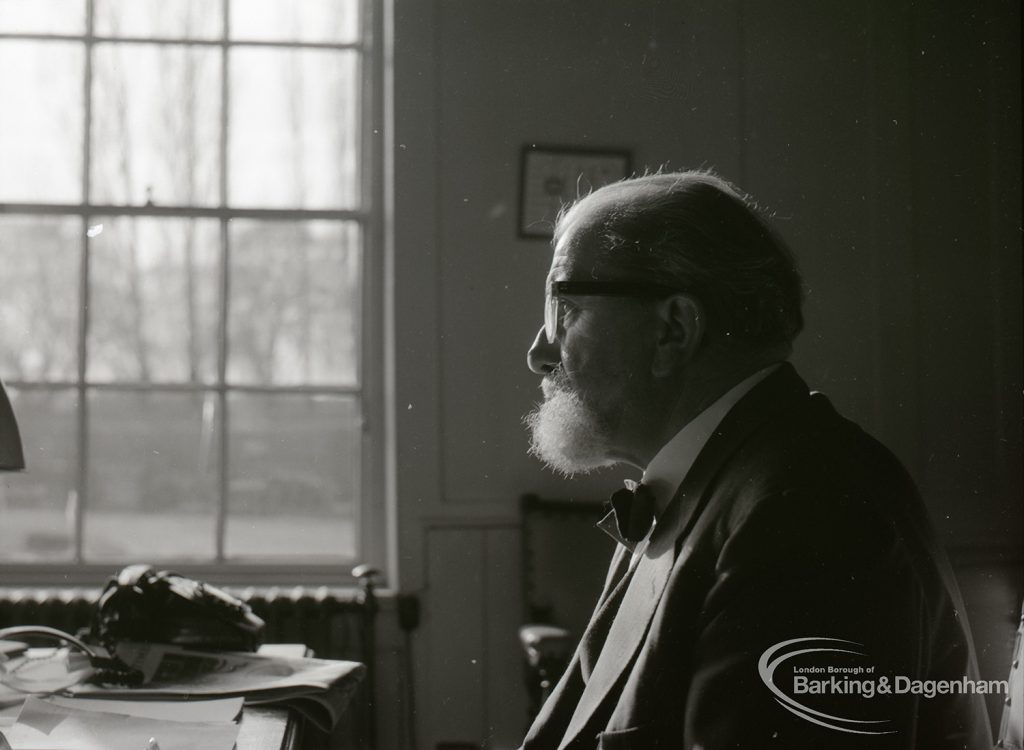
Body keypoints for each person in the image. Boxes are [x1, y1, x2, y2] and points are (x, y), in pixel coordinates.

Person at [519, 171, 992, 748]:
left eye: (563, 308)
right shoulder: (713, 482)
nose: (539, 354)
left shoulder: (806, 513)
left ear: (674, 329)